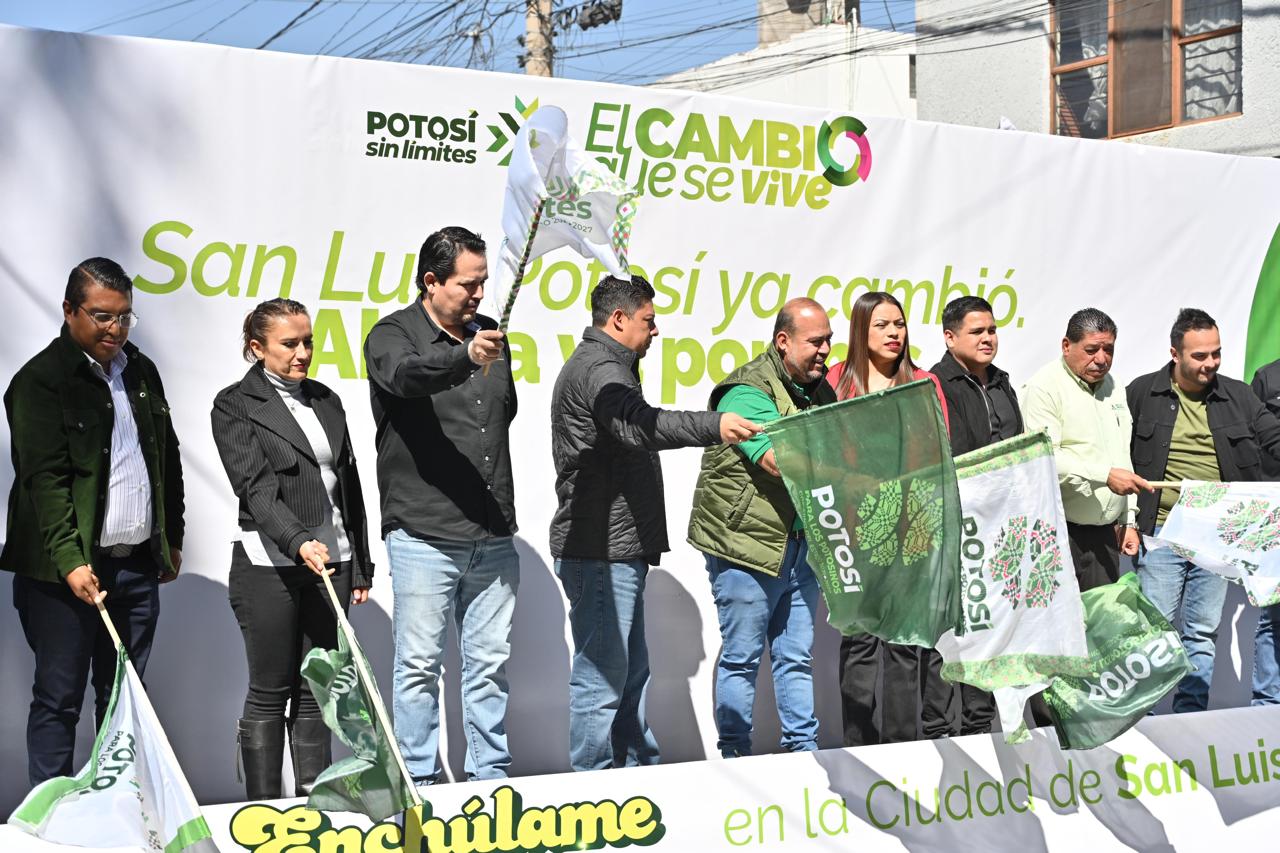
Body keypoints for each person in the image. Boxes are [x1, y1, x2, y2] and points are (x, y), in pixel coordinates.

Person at [550, 274, 759, 771]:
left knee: (627, 676)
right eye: (649, 320)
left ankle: (636, 779)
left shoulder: (608, 366)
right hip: (601, 552)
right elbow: (640, 425)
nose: (656, 330)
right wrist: (715, 425)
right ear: (619, 319)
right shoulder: (602, 370)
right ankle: (592, 789)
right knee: (602, 679)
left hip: (615, 549)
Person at [2, 257, 184, 785]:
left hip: (136, 568)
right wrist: (70, 562)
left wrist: (171, 538)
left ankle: (117, 804)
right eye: (102, 316)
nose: (115, 328)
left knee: (125, 699)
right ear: (69, 310)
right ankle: (49, 813)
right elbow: (44, 482)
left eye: (124, 316)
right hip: (65, 575)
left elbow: (166, 459)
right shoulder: (40, 381)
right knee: (58, 699)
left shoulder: (141, 371)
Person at [364, 226, 518, 783]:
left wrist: (477, 349)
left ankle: (490, 779)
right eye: (467, 284)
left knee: (489, 667)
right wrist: (465, 357)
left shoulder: (491, 335)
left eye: (482, 283)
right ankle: (420, 782)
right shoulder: (392, 335)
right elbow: (406, 378)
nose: (478, 294)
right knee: (418, 667)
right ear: (431, 281)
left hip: (492, 533)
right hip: (424, 532)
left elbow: (502, 414)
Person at [211, 298, 374, 799]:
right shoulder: (235, 404)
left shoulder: (326, 399)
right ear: (257, 347)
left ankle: (313, 805)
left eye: (308, 342)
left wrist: (360, 563)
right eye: (289, 343)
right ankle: (261, 811)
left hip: (332, 563)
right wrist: (298, 539)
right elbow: (255, 489)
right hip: (270, 564)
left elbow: (348, 484)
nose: (302, 353)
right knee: (269, 690)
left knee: (316, 691)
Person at [687, 297, 834, 758]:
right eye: (815, 341)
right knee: (742, 657)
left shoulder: (821, 392)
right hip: (745, 547)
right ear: (783, 341)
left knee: (796, 658)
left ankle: (804, 756)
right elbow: (776, 459)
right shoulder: (746, 390)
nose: (825, 350)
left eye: (828, 340)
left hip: (800, 546)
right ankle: (735, 760)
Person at [1128, 309, 1280, 713]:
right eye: (1199, 356)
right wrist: (1125, 520)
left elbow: (1274, 437)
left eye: (1216, 353)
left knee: (1201, 633)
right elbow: (1118, 455)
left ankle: (1190, 719)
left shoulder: (1239, 396)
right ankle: (1143, 722)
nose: (1210, 363)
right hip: (1160, 532)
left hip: (1214, 537)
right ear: (1174, 354)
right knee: (1152, 633)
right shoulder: (1142, 393)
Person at [826, 291, 949, 746]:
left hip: (911, 532)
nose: (894, 332)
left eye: (899, 323)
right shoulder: (836, 380)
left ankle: (902, 750)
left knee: (904, 645)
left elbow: (938, 455)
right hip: (851, 533)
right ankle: (858, 749)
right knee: (858, 643)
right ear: (861, 330)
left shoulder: (924, 382)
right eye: (881, 325)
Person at [924, 295, 1024, 738]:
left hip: (1002, 532)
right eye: (977, 331)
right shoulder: (936, 385)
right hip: (957, 530)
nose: (988, 338)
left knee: (990, 628)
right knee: (950, 633)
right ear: (950, 337)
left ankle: (979, 726)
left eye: (992, 330)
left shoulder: (1003, 383)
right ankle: (938, 729)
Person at [1021, 308, 1149, 592]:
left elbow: (1122, 454)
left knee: (1100, 617)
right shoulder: (1044, 387)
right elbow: (1044, 459)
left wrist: (1128, 520)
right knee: (1059, 619)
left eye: (1108, 349)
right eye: (1091, 350)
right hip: (1059, 534)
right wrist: (1105, 475)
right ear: (1067, 346)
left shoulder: (1114, 386)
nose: (1101, 359)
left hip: (1105, 537)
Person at [1250, 356, 1280, 705]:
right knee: (1274, 615)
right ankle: (1267, 706)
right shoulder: (1268, 376)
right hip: (1275, 514)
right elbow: (1250, 445)